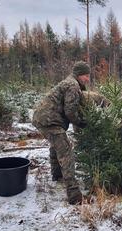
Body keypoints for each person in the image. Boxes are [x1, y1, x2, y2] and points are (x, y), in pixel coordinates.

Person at [32, 61, 91, 205]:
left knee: (56, 146)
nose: (88, 79)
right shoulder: (73, 86)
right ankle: (74, 195)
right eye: (86, 75)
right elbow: (70, 111)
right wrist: (82, 122)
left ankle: (57, 175)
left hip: (42, 118)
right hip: (50, 121)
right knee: (66, 152)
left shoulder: (69, 82)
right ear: (79, 75)